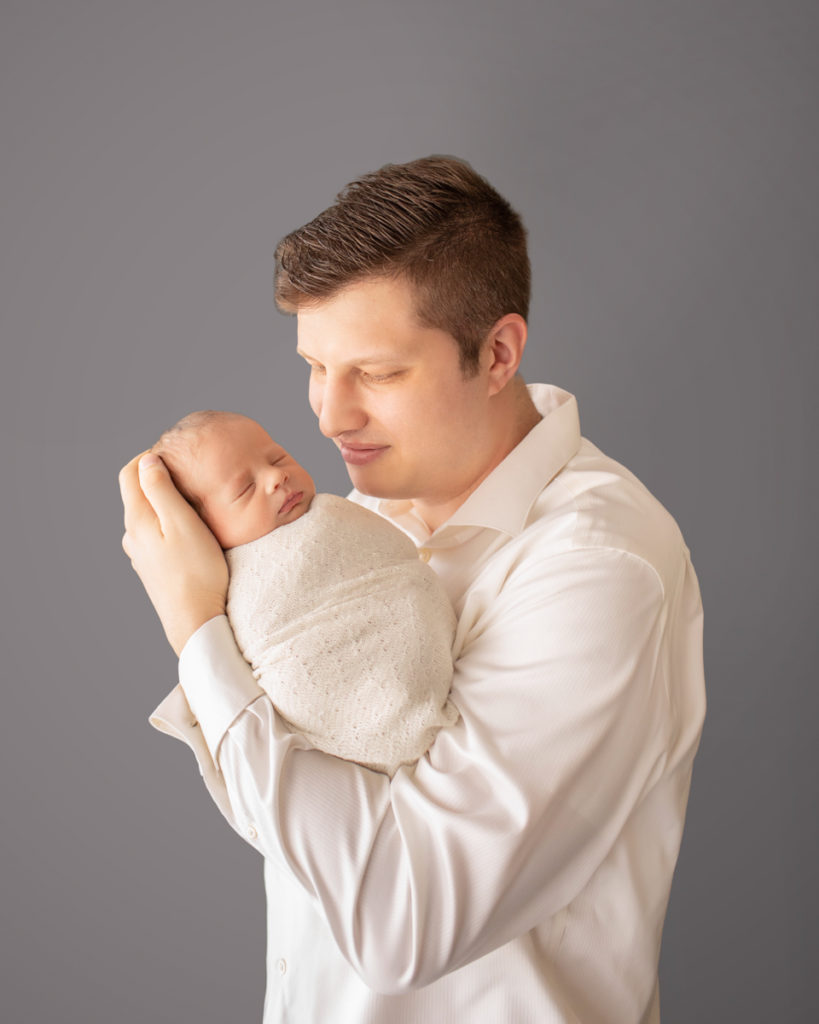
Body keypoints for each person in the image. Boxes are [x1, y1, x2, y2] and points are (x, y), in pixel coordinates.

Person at [119, 155, 706, 1023]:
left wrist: (197, 630)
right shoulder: (352, 524)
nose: (327, 416)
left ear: (498, 351)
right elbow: (292, 833)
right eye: (315, 366)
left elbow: (402, 931)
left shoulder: (597, 568)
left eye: (378, 373)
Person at [150, 409, 457, 775]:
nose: (276, 477)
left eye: (278, 458)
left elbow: (399, 567)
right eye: (245, 488)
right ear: (201, 530)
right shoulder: (229, 585)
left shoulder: (340, 514)